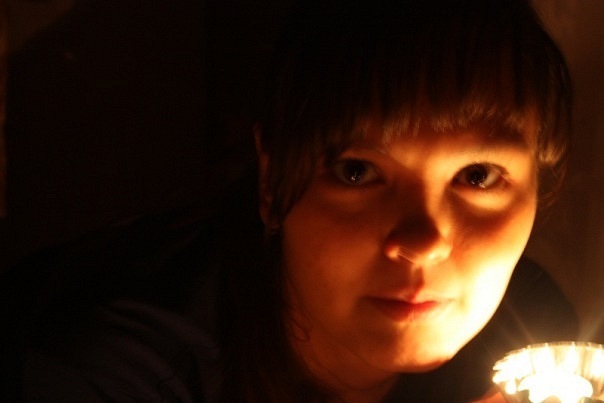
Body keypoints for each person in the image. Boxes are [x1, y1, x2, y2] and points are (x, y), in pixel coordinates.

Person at [1, 0, 578, 402]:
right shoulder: (118, 367)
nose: (422, 243)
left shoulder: (532, 349)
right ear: (271, 183)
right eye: (357, 172)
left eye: (478, 176)